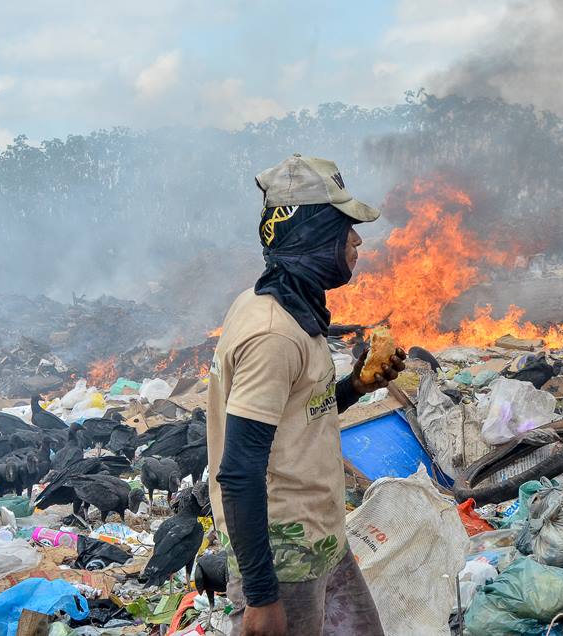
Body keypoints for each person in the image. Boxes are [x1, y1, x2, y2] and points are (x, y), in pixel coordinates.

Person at [207, 154, 406, 636]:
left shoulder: (290, 306)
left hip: (322, 540)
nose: (357, 240)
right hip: (283, 556)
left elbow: (299, 416)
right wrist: (261, 596)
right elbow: (238, 470)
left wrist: (356, 386)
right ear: (313, 234)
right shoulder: (273, 333)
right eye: (344, 228)